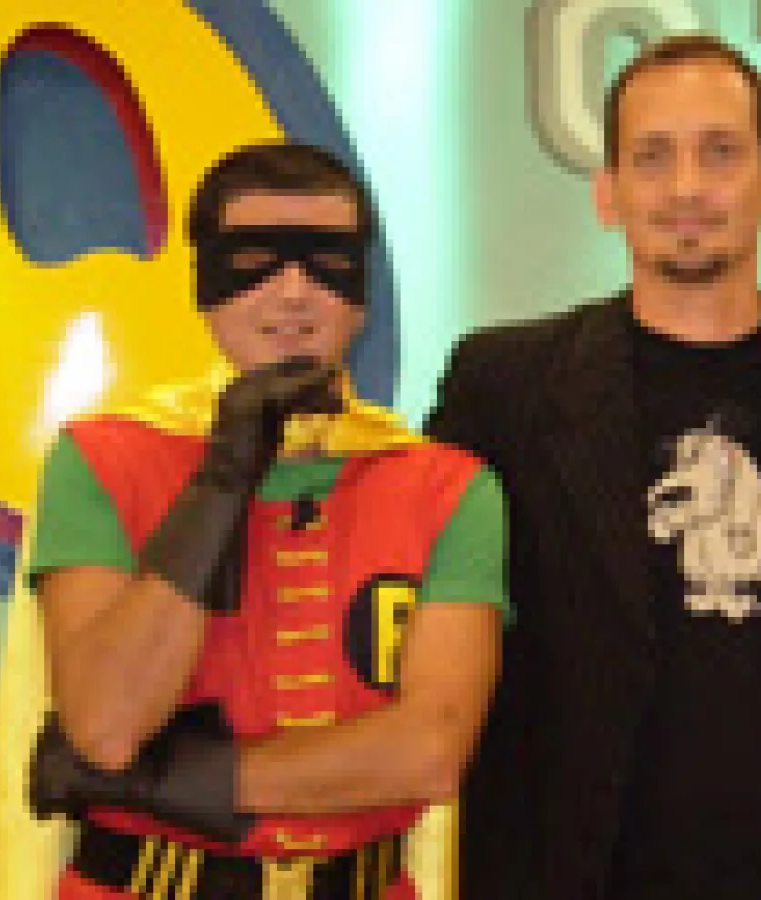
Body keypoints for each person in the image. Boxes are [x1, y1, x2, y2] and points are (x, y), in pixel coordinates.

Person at [427, 34, 761, 900]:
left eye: (720, 152)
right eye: (652, 157)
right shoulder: (504, 387)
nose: (687, 187)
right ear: (608, 193)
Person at [25, 142, 508, 899]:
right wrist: (221, 482)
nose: (293, 293)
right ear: (205, 283)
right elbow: (110, 725)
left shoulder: (446, 487)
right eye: (253, 261)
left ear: (362, 294)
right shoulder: (105, 459)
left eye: (327, 263)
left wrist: (174, 781)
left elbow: (429, 754)